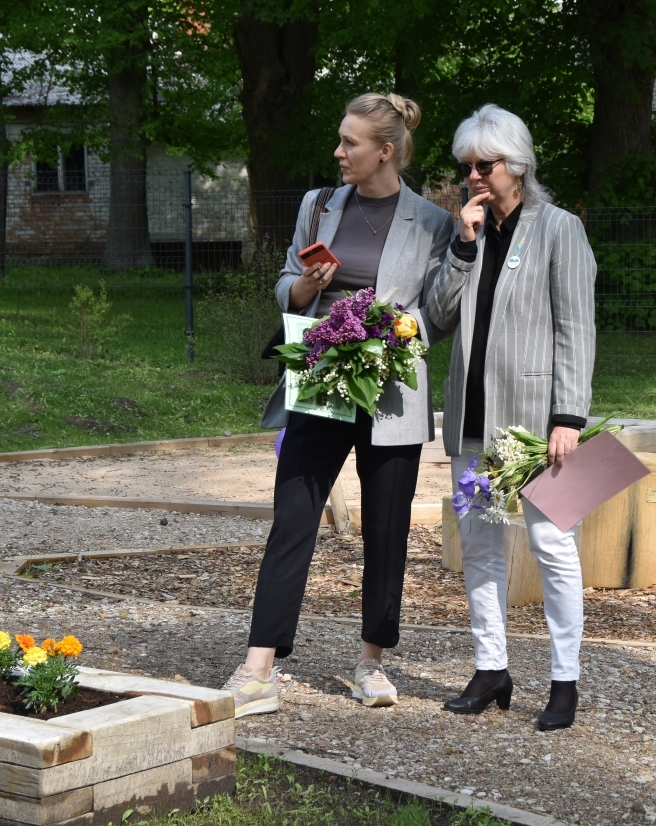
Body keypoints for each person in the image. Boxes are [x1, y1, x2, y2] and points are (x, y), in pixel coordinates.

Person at [223, 93, 455, 718]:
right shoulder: (318, 205)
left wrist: (394, 331)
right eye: (340, 139)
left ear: (385, 151)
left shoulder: (433, 222)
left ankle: (371, 662)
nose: (338, 152)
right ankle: (257, 669)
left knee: (387, 532)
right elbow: (285, 284)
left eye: (350, 143)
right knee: (292, 519)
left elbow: (439, 314)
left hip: (392, 391)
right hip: (322, 380)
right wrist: (302, 287)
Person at [426, 103, 597, 731]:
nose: (472, 175)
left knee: (554, 546)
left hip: (538, 425)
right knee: (480, 544)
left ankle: (564, 679)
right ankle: (491, 667)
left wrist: (570, 417)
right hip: (472, 420)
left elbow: (577, 328)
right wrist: (464, 246)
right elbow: (438, 316)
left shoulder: (559, 230)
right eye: (465, 165)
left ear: (516, 167)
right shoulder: (463, 234)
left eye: (484, 164)